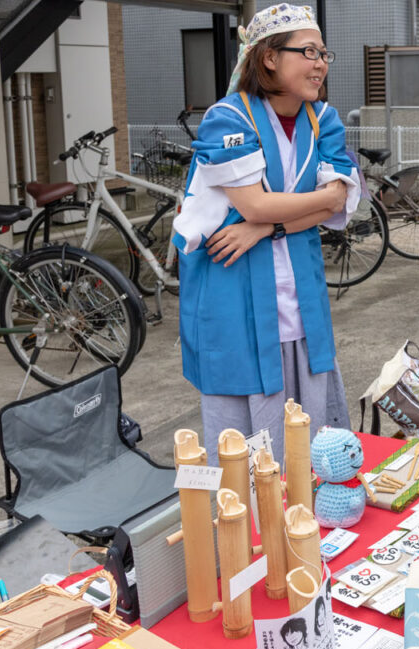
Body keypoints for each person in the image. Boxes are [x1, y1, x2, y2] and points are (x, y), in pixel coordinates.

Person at [172, 3, 359, 457]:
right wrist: (283, 211)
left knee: (311, 429)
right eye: (308, 51)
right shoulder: (228, 118)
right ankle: (249, 524)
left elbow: (340, 203)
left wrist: (264, 227)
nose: (320, 64)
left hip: (299, 292)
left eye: (323, 54)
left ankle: (309, 515)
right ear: (269, 57)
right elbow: (257, 202)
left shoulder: (323, 119)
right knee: (242, 443)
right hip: (234, 296)